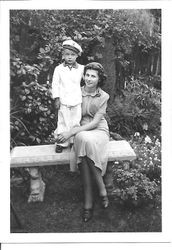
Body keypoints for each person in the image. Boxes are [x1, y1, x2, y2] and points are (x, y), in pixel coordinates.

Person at [56, 62, 110, 222]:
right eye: (87, 75)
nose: (88, 78)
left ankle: (88, 203)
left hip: (98, 130)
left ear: (99, 79)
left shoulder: (104, 96)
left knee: (82, 139)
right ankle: (101, 190)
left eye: (93, 76)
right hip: (79, 130)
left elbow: (94, 123)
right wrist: (65, 129)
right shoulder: (76, 92)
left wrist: (71, 132)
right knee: (82, 139)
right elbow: (67, 112)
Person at [52, 39, 84, 153]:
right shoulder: (59, 69)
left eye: (73, 54)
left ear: (77, 56)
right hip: (64, 100)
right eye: (67, 54)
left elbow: (87, 81)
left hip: (76, 100)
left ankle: (73, 142)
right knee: (63, 121)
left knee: (75, 121)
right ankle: (61, 142)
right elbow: (55, 84)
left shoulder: (81, 68)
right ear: (63, 55)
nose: (70, 57)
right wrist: (57, 98)